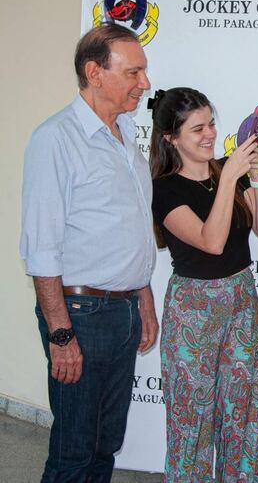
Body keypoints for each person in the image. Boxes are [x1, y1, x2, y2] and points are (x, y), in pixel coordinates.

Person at [19, 24, 158, 481]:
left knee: (105, 446)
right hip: (80, 314)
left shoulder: (126, 136)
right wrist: (61, 335)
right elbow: (41, 248)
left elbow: (128, 228)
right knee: (75, 450)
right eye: (134, 72)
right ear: (94, 72)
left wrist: (144, 300)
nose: (145, 83)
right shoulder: (55, 139)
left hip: (122, 313)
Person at [148, 87, 258, 482]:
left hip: (241, 300)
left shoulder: (229, 172)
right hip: (194, 311)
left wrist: (255, 178)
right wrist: (228, 179)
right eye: (197, 129)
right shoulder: (164, 189)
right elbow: (211, 240)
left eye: (211, 124)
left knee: (243, 415)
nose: (209, 135)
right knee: (193, 422)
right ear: (171, 138)